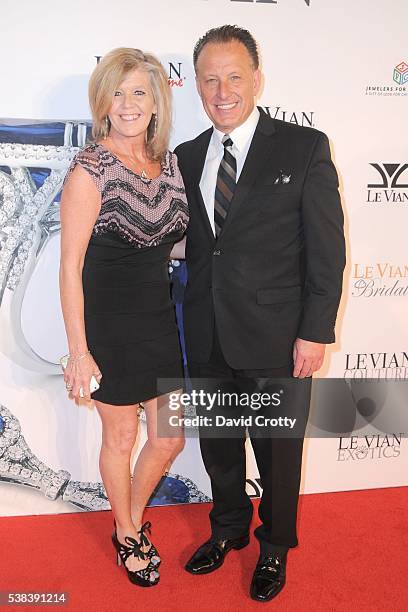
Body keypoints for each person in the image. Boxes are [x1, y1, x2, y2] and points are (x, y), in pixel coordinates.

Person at [174, 26, 345, 602]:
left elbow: (327, 249)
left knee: (277, 455)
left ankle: (274, 547)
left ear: (257, 79)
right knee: (219, 445)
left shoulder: (304, 147)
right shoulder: (187, 155)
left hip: (278, 337)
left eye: (234, 77)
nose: (222, 91)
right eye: (210, 79)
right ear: (197, 85)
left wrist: (314, 332)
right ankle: (228, 530)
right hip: (206, 332)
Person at [59, 47, 188, 588]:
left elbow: (173, 243)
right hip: (109, 323)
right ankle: (129, 533)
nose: (129, 103)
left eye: (140, 91)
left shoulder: (171, 163)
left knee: (171, 436)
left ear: (156, 103)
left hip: (159, 316)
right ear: (102, 102)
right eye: (119, 92)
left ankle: (125, 520)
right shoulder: (91, 168)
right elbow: (70, 267)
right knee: (119, 436)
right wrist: (80, 350)